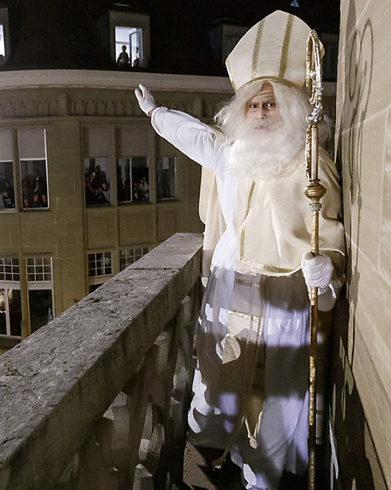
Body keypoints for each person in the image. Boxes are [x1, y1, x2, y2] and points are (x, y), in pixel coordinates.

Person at [135, 10, 345, 489]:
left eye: (271, 105)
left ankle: (265, 475)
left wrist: (327, 269)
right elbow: (198, 139)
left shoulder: (312, 163)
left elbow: (330, 232)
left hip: (290, 293)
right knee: (220, 371)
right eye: (254, 106)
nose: (262, 113)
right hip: (236, 284)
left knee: (280, 388)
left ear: (290, 108)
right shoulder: (234, 153)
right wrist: (156, 115)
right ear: (242, 111)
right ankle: (202, 457)